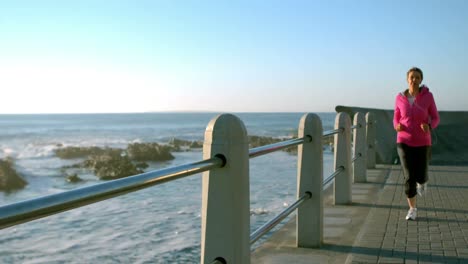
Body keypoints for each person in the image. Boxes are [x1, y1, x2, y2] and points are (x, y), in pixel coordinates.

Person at [393, 67, 440, 221]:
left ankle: (423, 181)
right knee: (408, 176)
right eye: (412, 77)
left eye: (417, 77)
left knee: (421, 174)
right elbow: (396, 118)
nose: (414, 80)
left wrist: (429, 126)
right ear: (407, 79)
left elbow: (435, 117)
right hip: (403, 140)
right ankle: (412, 209)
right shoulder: (399, 98)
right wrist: (396, 126)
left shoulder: (428, 97)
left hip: (423, 141)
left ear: (421, 80)